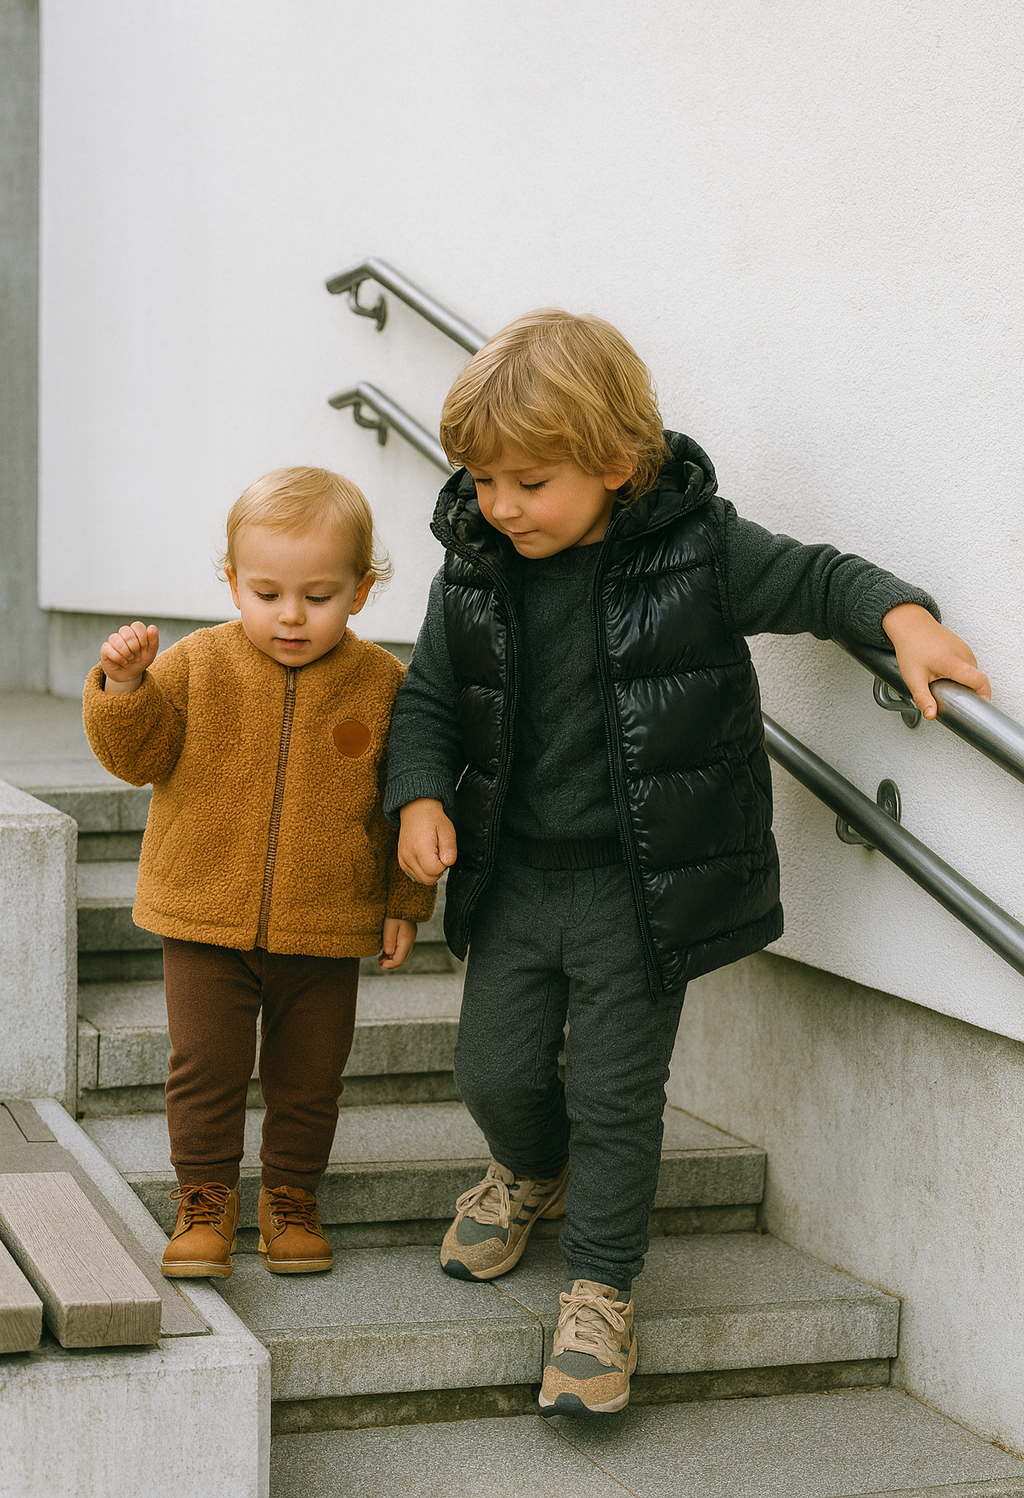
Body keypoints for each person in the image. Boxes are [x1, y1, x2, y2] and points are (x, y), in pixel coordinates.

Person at [385, 310, 990, 1417]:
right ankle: (530, 1166)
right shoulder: (471, 568)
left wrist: (904, 618)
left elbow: (816, 578)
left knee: (616, 1097)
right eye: (482, 479)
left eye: (529, 482)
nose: (499, 504)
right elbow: (428, 696)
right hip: (514, 877)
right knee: (493, 1073)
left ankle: (600, 1293)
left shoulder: (698, 551)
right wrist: (419, 794)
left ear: (616, 465)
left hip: (638, 888)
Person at [84, 465, 435, 1279]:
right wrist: (126, 685)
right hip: (202, 918)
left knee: (309, 1078)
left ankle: (290, 1199)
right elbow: (135, 758)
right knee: (205, 1070)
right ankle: (204, 1201)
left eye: (318, 595)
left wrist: (405, 900)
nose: (291, 615)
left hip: (326, 924)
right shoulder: (197, 665)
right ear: (233, 582)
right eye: (267, 592)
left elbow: (405, 799)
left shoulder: (383, 683)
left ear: (361, 590)